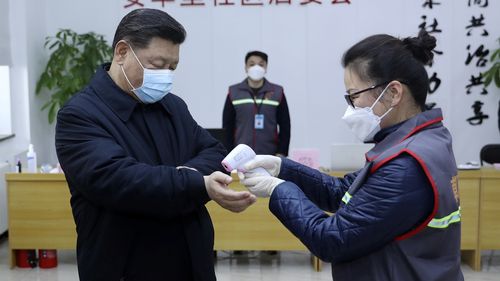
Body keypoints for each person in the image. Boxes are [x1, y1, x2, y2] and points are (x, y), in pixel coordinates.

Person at [239, 30, 464, 281]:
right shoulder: (421, 141)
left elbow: (331, 239)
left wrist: (278, 190)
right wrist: (283, 168)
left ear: (393, 93)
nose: (351, 107)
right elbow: (344, 192)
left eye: (354, 96)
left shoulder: (405, 166)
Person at [55, 9, 256, 281]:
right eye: (157, 64)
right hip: (125, 267)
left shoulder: (172, 106)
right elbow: (120, 179)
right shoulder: (80, 115)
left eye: (172, 67)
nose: (166, 76)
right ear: (122, 53)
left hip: (192, 264)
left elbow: (213, 151)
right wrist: (195, 182)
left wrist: (182, 176)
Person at [222, 51, 291, 157]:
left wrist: (281, 152)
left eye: (261, 64)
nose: (256, 67)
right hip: (240, 155)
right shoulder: (234, 92)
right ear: (246, 67)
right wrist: (228, 152)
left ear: (266, 68)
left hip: (270, 156)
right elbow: (227, 127)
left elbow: (285, 125)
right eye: (252, 64)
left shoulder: (277, 92)